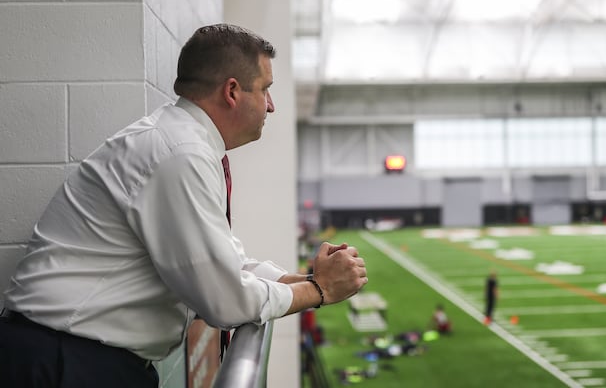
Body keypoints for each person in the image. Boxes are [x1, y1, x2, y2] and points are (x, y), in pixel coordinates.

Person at [0, 24, 368, 388]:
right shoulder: (180, 153)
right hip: (65, 361)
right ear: (233, 91)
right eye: (266, 89)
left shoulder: (181, 142)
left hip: (75, 355)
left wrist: (305, 279)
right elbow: (226, 301)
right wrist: (319, 290)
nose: (271, 105)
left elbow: (229, 265)